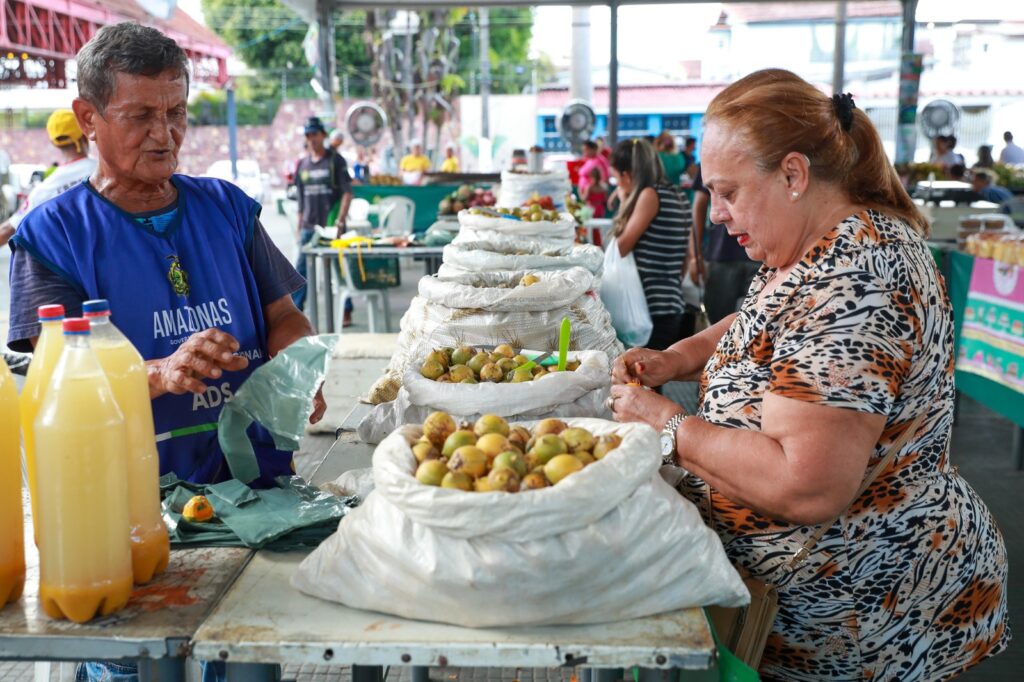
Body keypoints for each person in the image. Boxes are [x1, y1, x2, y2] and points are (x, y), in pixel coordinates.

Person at [607, 69, 1009, 681]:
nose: (716, 215)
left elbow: (807, 486)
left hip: (866, 618)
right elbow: (762, 324)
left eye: (729, 192)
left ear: (794, 174)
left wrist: (668, 424)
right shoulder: (810, 246)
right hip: (813, 605)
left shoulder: (859, 280)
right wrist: (677, 358)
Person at [7, 22, 326, 682]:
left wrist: (299, 371)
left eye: (177, 112)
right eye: (141, 115)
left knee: (249, 658)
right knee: (141, 664)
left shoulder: (226, 209)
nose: (165, 133)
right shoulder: (52, 236)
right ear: (87, 118)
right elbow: (56, 379)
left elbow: (285, 318)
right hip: (129, 518)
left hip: (254, 497)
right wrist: (158, 372)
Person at [609, 138, 692, 349]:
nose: (617, 184)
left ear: (627, 175)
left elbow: (621, 247)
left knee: (635, 382)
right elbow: (683, 260)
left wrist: (624, 201)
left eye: (616, 178)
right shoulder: (678, 195)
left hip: (648, 312)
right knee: (648, 382)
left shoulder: (649, 195)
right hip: (670, 306)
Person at [0, 109, 98, 246]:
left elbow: (7, 230)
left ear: (54, 143)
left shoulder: (44, 189)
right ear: (85, 134)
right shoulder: (106, 171)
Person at [292, 115, 353, 321]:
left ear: (323, 135)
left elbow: (347, 191)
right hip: (309, 227)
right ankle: (295, 314)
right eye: (309, 135)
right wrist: (299, 225)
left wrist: (340, 220)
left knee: (338, 270)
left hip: (330, 227)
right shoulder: (302, 165)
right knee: (300, 272)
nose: (312, 139)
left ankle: (346, 310)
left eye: (315, 134)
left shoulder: (335, 160)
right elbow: (300, 198)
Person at [688, 163, 760, 323]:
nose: (716, 214)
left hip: (763, 252)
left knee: (760, 324)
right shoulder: (715, 154)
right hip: (723, 254)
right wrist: (695, 255)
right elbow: (699, 206)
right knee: (716, 322)